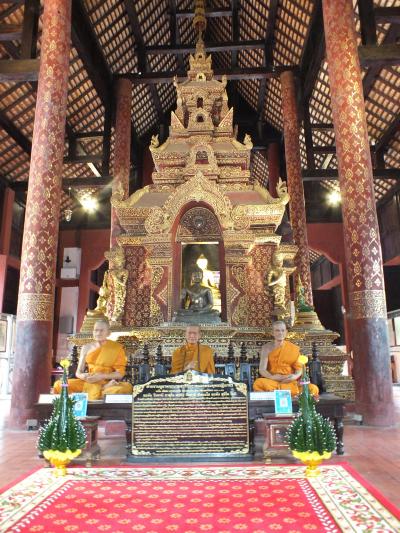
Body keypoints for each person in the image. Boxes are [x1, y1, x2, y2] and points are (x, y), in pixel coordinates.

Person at [53, 319, 132, 400]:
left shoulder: (116, 348)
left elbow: (120, 373)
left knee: (124, 388)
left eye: (101, 330)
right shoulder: (86, 347)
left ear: (108, 333)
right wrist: (84, 376)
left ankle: (102, 388)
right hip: (89, 381)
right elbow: (78, 372)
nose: (98, 333)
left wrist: (102, 376)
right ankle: (102, 389)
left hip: (107, 381)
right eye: (96, 330)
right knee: (59, 385)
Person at [253, 321, 319, 396]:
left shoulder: (293, 348)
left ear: (286, 332)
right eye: (277, 330)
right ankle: (291, 394)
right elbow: (262, 369)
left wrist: (294, 376)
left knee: (313, 388)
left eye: (282, 330)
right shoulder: (266, 348)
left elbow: (299, 368)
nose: (280, 333)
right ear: (272, 332)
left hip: (289, 381)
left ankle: (277, 393)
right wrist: (272, 377)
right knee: (258, 383)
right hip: (273, 381)